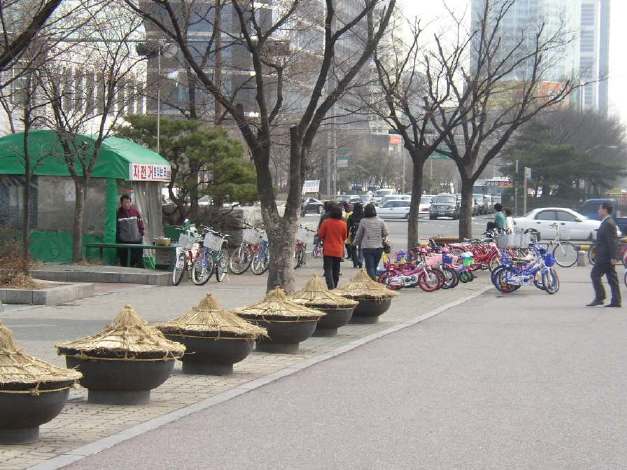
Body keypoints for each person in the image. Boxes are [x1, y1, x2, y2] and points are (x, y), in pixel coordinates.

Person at [587, 202, 621, 308]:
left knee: (595, 275)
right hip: (605, 256)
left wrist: (614, 257)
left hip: (605, 257)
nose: (598, 211)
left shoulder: (608, 223)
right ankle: (615, 300)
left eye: (599, 209)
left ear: (605, 210)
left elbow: (612, 241)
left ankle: (600, 298)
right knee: (612, 278)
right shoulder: (606, 222)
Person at [354, 203, 389, 280]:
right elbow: (386, 233)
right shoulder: (381, 221)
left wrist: (355, 243)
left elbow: (359, 234)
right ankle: (371, 283)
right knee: (374, 267)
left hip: (367, 248)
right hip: (379, 248)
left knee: (370, 268)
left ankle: (374, 284)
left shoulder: (363, 221)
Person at [318, 204, 348, 289]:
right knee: (336, 270)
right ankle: (335, 285)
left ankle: (331, 287)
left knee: (328, 269)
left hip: (328, 250)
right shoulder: (343, 224)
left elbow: (320, 234)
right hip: (338, 250)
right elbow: (344, 237)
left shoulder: (326, 222)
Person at [116, 194, 145, 267]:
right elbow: (116, 227)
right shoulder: (118, 213)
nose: (127, 204)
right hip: (124, 242)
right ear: (121, 203)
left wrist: (141, 234)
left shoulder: (135, 212)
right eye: (125, 202)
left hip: (136, 241)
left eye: (128, 202)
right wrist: (119, 237)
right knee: (124, 262)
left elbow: (140, 223)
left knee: (138, 260)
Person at [347, 202, 364, 268]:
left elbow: (347, 227)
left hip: (354, 234)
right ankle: (360, 261)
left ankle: (355, 262)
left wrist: (346, 235)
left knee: (353, 248)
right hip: (362, 234)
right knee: (361, 248)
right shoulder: (364, 216)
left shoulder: (351, 216)